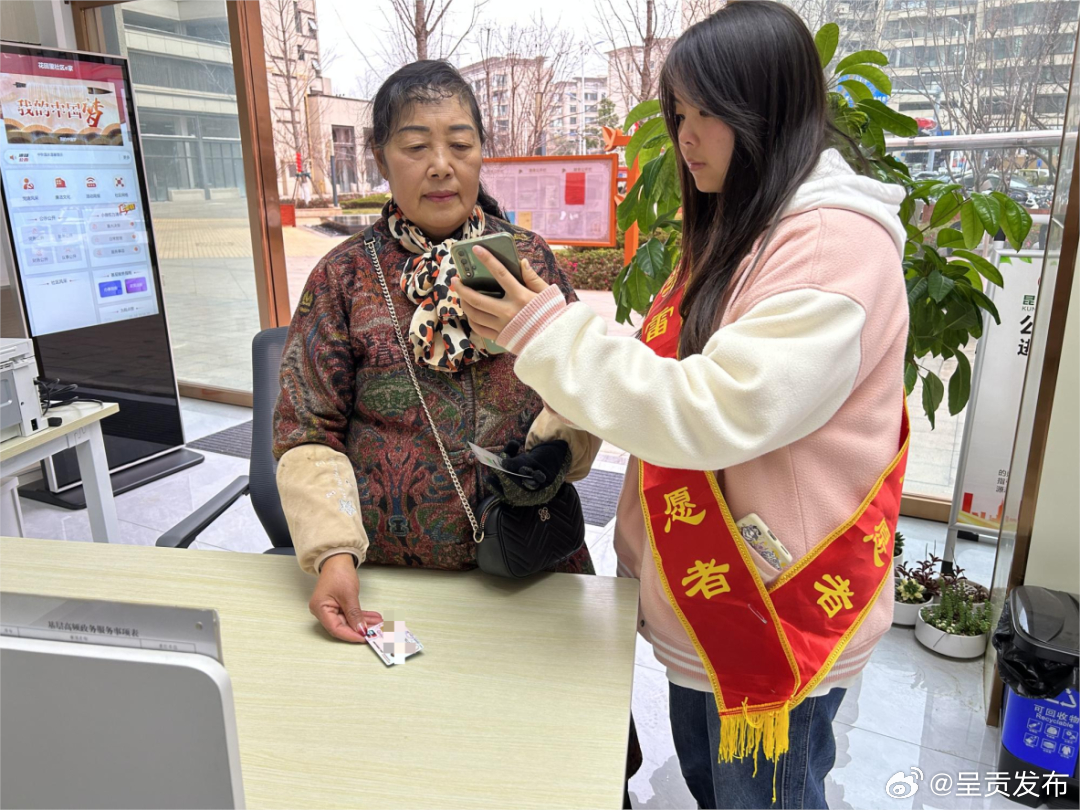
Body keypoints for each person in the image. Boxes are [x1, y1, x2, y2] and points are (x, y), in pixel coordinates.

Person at [454, 3, 909, 808]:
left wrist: (545, 334)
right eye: (678, 114)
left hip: (775, 610)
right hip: (711, 598)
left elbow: (713, 409)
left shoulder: (831, 247)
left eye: (707, 114)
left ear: (767, 112)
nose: (685, 137)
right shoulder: (748, 223)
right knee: (710, 786)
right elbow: (662, 358)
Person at [272, 60, 600, 645]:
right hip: (391, 581)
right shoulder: (343, 277)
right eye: (416, 146)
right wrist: (333, 555)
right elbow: (306, 430)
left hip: (533, 562)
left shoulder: (529, 261)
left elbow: (582, 381)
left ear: (480, 152)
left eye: (460, 144)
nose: (442, 165)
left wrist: (561, 447)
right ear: (381, 159)